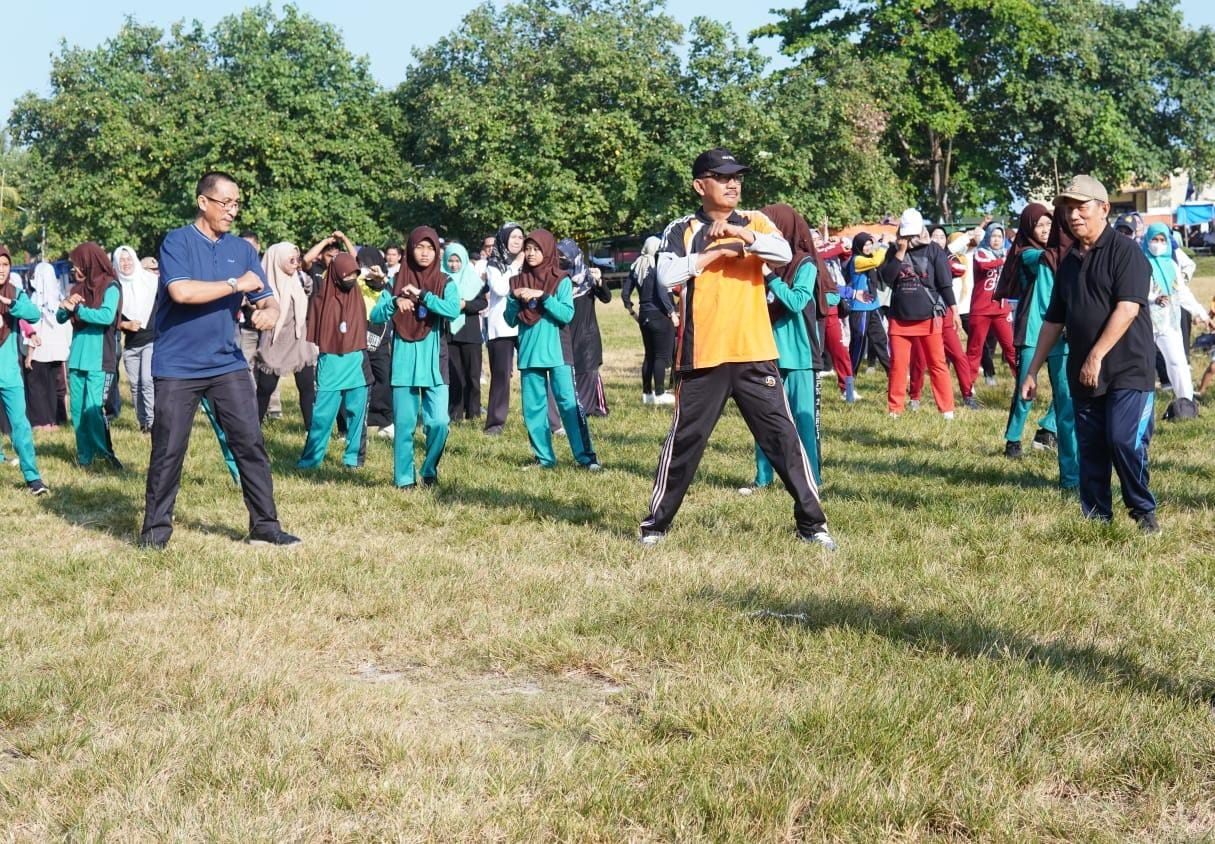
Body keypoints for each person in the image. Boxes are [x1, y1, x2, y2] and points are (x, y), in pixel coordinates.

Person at [639, 148, 834, 549]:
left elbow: (783, 254)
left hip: (754, 350)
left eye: (738, 178)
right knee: (684, 442)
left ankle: (813, 525)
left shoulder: (757, 222)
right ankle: (655, 527)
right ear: (700, 185)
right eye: (722, 177)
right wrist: (714, 252)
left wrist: (743, 237)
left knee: (783, 438)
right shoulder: (682, 228)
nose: (733, 184)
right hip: (702, 354)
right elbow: (667, 275)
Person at [141, 170, 298, 549]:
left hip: (226, 363)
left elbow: (266, 296)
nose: (232, 210)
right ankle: (155, 534)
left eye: (237, 203)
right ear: (203, 202)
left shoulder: (241, 250)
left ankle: (265, 526)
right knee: (168, 449)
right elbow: (180, 291)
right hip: (177, 366)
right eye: (226, 202)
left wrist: (271, 312)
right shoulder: (176, 242)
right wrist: (235, 285)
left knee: (250, 442)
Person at [1020, 175, 1159, 533]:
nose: (1073, 216)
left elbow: (1127, 309)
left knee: (1122, 440)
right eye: (1068, 209)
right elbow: (1053, 321)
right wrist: (1032, 370)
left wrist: (1096, 355)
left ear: (1104, 209)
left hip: (1129, 368)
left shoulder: (1126, 253)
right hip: (1083, 372)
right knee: (1092, 448)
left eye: (1081, 207)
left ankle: (1143, 511)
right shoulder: (1067, 263)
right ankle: (1097, 518)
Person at [740, 203, 826, 491]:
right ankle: (763, 479)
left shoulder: (805, 264)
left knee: (802, 423)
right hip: (767, 351)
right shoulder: (762, 261)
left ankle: (812, 480)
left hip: (800, 355)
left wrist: (770, 278)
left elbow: (797, 302)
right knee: (764, 420)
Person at [370, 226, 461, 488]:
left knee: (439, 423)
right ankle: (404, 479)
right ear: (410, 249)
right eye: (419, 247)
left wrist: (423, 295)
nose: (424, 253)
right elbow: (376, 315)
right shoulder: (396, 281)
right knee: (405, 424)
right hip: (404, 361)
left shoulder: (445, 282)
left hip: (435, 361)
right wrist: (394, 301)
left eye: (430, 248)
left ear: (437, 252)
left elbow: (452, 310)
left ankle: (429, 469)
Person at [994, 202, 1078, 484]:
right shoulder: (1027, 254)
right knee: (1025, 390)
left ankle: (1049, 433)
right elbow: (1046, 258)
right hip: (1032, 330)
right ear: (1028, 229)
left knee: (1067, 393)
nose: (1045, 230)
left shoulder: (1063, 253)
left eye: (1049, 224)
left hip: (1063, 331)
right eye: (1039, 225)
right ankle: (1013, 438)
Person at [505, 229, 600, 470]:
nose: (531, 254)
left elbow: (566, 314)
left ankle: (586, 458)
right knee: (533, 409)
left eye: (536, 249)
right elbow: (510, 320)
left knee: (568, 405)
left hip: (558, 352)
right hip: (529, 353)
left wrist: (543, 296)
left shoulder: (561, 279)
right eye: (527, 249)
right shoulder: (517, 281)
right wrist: (514, 299)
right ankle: (544, 459)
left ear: (547, 250)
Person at [879, 210, 959, 418]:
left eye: (913, 234)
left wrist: (955, 311)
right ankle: (895, 409)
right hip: (899, 318)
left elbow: (944, 283)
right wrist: (899, 252)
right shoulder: (895, 250)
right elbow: (886, 279)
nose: (910, 238)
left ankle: (947, 410)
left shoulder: (933, 250)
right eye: (906, 235)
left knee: (937, 364)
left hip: (929, 316)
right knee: (898, 365)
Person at [297, 253, 371, 469]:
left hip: (357, 363)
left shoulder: (361, 292)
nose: (351, 278)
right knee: (321, 416)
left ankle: (353, 459)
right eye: (347, 274)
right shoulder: (321, 299)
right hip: (330, 363)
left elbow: (377, 289)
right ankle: (311, 460)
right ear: (336, 274)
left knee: (357, 415)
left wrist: (376, 281)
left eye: (354, 274)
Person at [57, 243, 123, 468]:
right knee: (77, 409)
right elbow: (60, 318)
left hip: (99, 358)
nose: (74, 268)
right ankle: (85, 457)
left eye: (77, 263)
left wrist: (78, 310)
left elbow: (106, 317)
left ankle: (104, 457)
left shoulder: (111, 286)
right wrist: (65, 307)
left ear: (89, 262)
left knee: (94, 410)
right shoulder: (76, 289)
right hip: (77, 357)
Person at [0, 247, 49, 494]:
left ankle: (33, 478)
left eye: (5, 265)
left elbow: (33, 314)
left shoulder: (14, 293)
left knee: (20, 425)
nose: (1, 270)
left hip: (9, 372)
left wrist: (12, 304)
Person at [1143, 222, 1206, 414]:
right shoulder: (1139, 262)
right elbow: (1135, 291)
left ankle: (1186, 404)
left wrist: (1201, 313)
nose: (1158, 244)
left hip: (1168, 323)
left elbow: (1182, 293)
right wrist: (1153, 298)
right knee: (1142, 367)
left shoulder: (1171, 265)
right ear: (1147, 240)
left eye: (1163, 240)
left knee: (1177, 362)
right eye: (1155, 239)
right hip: (1143, 323)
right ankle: (1142, 407)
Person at [253, 243, 317, 428]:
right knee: (265, 388)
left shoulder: (301, 280)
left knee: (306, 386)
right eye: (291, 259)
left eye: (297, 259)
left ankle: (310, 430)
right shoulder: (263, 283)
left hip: (299, 340)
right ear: (278, 260)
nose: (296, 263)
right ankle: (253, 429)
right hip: (275, 341)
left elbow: (310, 291)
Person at [622, 236, 677, 406]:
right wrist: (672, 313)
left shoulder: (637, 266)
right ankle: (660, 393)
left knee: (649, 355)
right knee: (660, 356)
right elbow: (662, 293)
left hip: (644, 315)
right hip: (659, 315)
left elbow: (625, 294)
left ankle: (647, 394)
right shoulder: (656, 266)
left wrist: (632, 312)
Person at [560, 238, 612, 417]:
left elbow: (606, 297)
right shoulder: (559, 279)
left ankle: (591, 407)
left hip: (586, 335)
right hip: (566, 333)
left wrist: (599, 281)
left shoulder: (587, 278)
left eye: (565, 256)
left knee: (587, 370)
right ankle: (588, 406)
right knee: (571, 371)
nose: (561, 259)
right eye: (558, 255)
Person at [482, 222, 524, 435]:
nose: (517, 241)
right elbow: (500, 288)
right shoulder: (494, 264)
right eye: (513, 237)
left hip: (526, 323)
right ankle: (495, 424)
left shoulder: (530, 261)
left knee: (536, 373)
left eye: (520, 237)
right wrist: (515, 266)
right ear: (504, 239)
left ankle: (552, 422)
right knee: (500, 376)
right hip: (502, 327)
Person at [113, 245, 158, 433]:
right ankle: (143, 423)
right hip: (131, 344)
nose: (126, 263)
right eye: (121, 260)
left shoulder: (151, 282)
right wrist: (125, 325)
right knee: (135, 385)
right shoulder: (116, 288)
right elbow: (112, 318)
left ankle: (153, 422)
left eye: (129, 258)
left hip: (151, 339)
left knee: (147, 381)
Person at [966, 224, 1017, 383]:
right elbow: (984, 265)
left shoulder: (1007, 254)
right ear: (988, 237)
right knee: (975, 349)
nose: (996, 240)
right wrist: (1004, 260)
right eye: (993, 236)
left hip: (1001, 309)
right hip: (981, 309)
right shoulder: (980, 253)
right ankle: (968, 388)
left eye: (1000, 237)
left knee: (1011, 348)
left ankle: (1023, 383)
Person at [23, 261, 71, 429]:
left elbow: (33, 327)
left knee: (37, 388)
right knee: (52, 388)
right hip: (57, 353)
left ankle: (40, 422)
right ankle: (53, 420)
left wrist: (29, 353)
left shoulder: (36, 299)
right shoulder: (59, 299)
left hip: (39, 353)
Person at [444, 242, 488, 423]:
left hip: (470, 333)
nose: (454, 265)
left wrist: (465, 305)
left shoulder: (473, 280)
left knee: (472, 374)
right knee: (454, 376)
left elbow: (482, 303)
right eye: (450, 261)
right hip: (450, 334)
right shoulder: (441, 279)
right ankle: (455, 412)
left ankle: (474, 411)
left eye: (457, 261)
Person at [356, 247, 395, 437]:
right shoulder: (356, 280)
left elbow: (395, 295)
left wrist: (381, 278)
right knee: (356, 380)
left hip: (380, 336)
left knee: (383, 376)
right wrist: (361, 274)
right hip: (356, 335)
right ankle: (350, 423)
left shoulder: (385, 281)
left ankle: (384, 420)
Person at [845, 232, 890, 387]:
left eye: (870, 244)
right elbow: (877, 261)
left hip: (874, 305)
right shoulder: (857, 260)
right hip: (859, 309)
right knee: (858, 345)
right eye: (865, 244)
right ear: (858, 246)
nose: (868, 247)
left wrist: (879, 245)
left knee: (881, 340)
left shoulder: (869, 257)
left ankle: (893, 374)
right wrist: (883, 245)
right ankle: (849, 383)